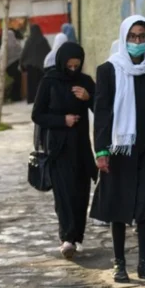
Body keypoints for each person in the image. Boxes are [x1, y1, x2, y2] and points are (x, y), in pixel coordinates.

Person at [89, 15, 145, 284]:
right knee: (118, 207)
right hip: (118, 150)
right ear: (124, 39)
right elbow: (102, 112)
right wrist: (101, 150)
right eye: (133, 36)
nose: (137, 41)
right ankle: (119, 263)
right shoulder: (108, 70)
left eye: (142, 37)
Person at [31, 42, 97, 259]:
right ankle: (67, 238)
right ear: (62, 62)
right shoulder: (49, 81)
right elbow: (37, 115)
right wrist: (62, 120)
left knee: (80, 193)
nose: (73, 69)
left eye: (76, 66)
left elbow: (102, 109)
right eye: (69, 66)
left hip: (81, 147)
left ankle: (77, 236)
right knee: (64, 195)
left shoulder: (85, 82)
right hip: (58, 149)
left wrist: (88, 98)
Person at [21, 24, 51, 104]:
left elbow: (24, 53)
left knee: (31, 84)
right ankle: (42, 98)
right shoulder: (43, 40)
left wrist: (21, 64)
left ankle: (31, 99)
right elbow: (48, 52)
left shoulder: (29, 41)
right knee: (40, 83)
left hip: (30, 66)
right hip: (41, 66)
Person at [4, 29, 23, 102]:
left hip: (7, 68)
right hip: (16, 67)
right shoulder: (16, 44)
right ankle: (16, 97)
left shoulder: (4, 46)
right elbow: (21, 53)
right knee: (17, 82)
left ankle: (10, 97)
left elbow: (1, 57)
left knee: (10, 83)